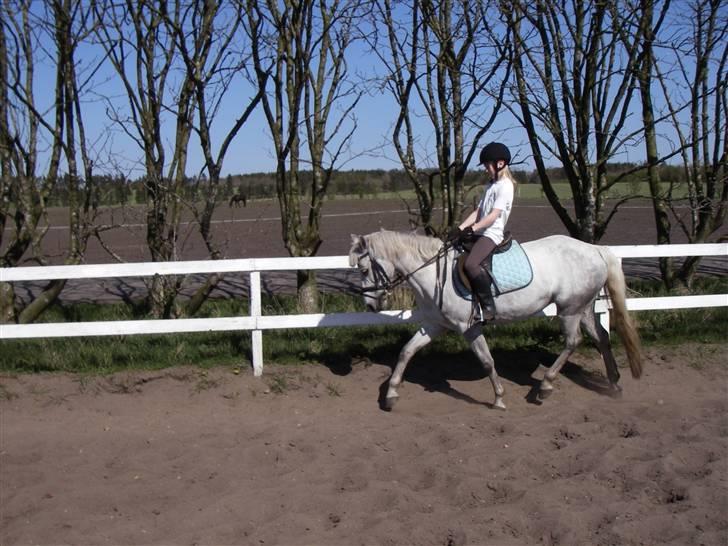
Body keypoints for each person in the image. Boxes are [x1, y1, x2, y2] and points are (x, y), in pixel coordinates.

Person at [448, 142, 516, 321]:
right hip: (480, 232)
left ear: (499, 164)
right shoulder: (491, 185)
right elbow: (478, 211)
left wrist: (474, 228)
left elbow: (493, 216)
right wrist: (460, 228)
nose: (486, 169)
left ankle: (488, 307)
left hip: (491, 234)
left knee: (471, 264)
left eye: (487, 165)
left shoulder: (506, 186)